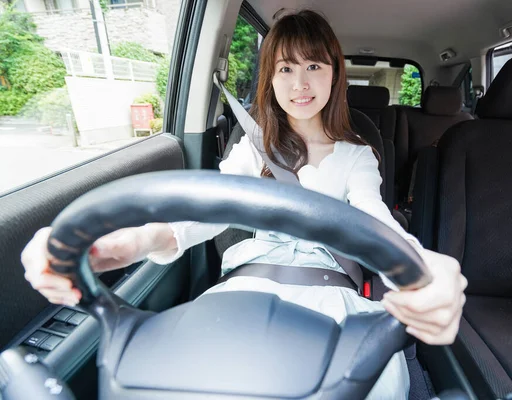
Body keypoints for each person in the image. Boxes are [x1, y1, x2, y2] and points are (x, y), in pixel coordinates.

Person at [21, 10, 467, 400]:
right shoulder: (254, 148)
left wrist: (420, 265)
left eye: (314, 65)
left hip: (334, 295)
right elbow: (204, 213)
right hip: (243, 288)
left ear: (335, 73)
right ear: (269, 79)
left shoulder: (356, 153)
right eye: (285, 69)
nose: (301, 84)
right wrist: (130, 241)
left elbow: (376, 218)